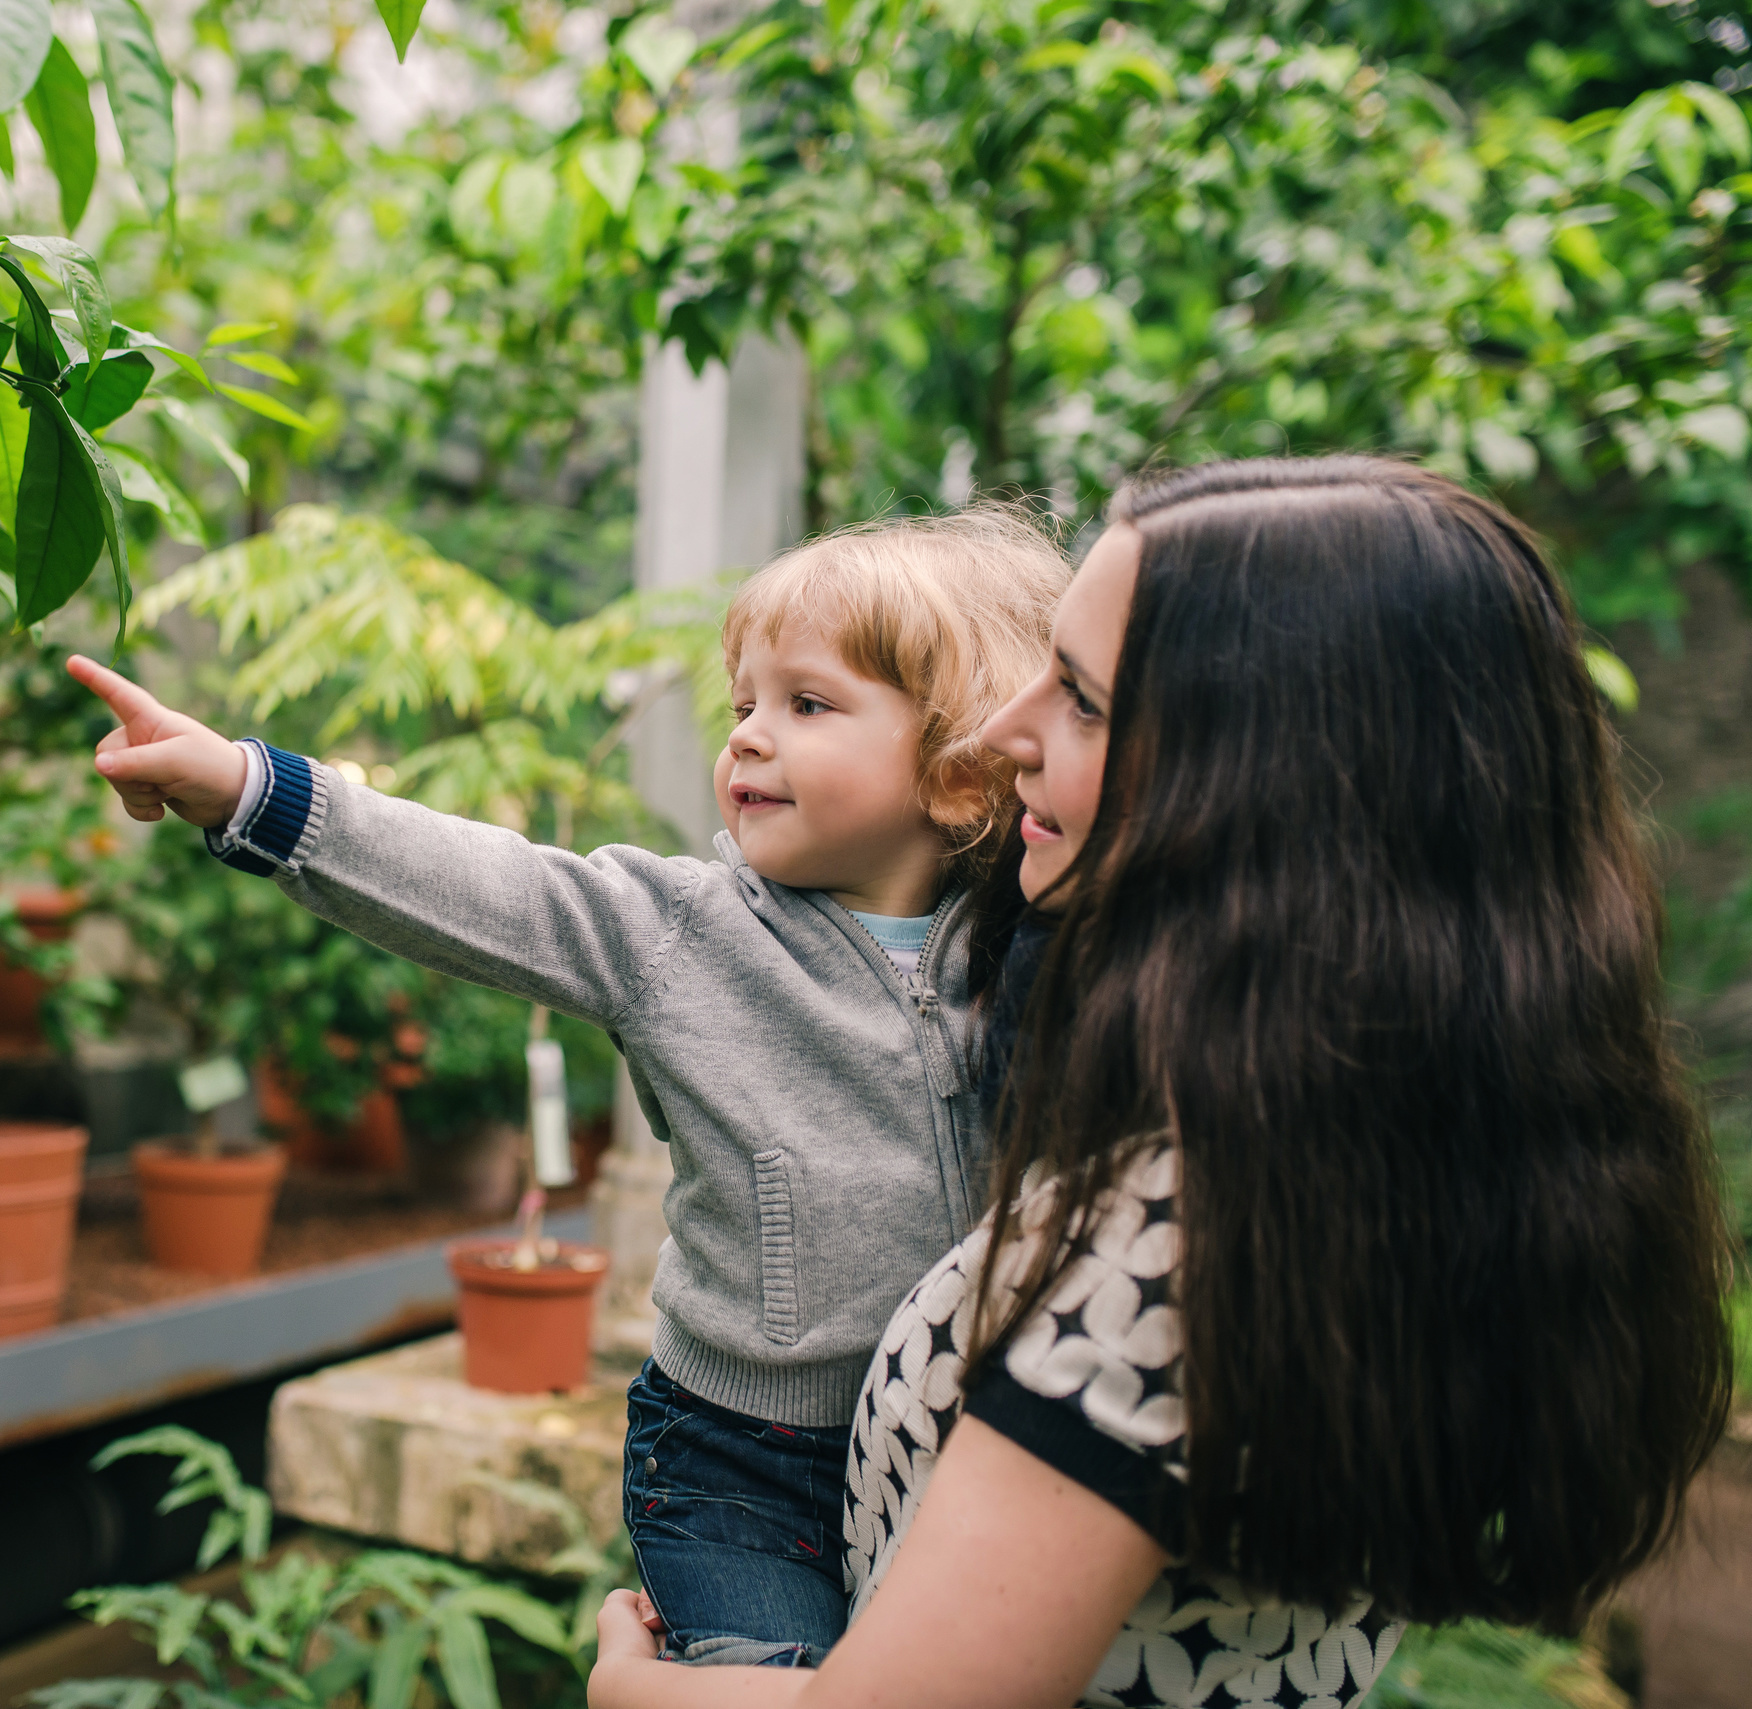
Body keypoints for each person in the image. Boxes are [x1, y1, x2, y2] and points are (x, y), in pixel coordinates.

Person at [588, 457, 1738, 1709]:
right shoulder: (1423, 1149)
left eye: (1078, 697)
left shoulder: (1178, 1245)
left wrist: (642, 1692)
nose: (996, 729)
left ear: (1262, 783)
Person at [70, 510, 1068, 1667]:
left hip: (965, 1438)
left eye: (806, 704)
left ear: (957, 771)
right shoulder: (680, 932)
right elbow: (490, 884)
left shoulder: (1039, 937)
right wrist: (247, 786)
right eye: (742, 703)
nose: (745, 738)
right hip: (746, 1464)